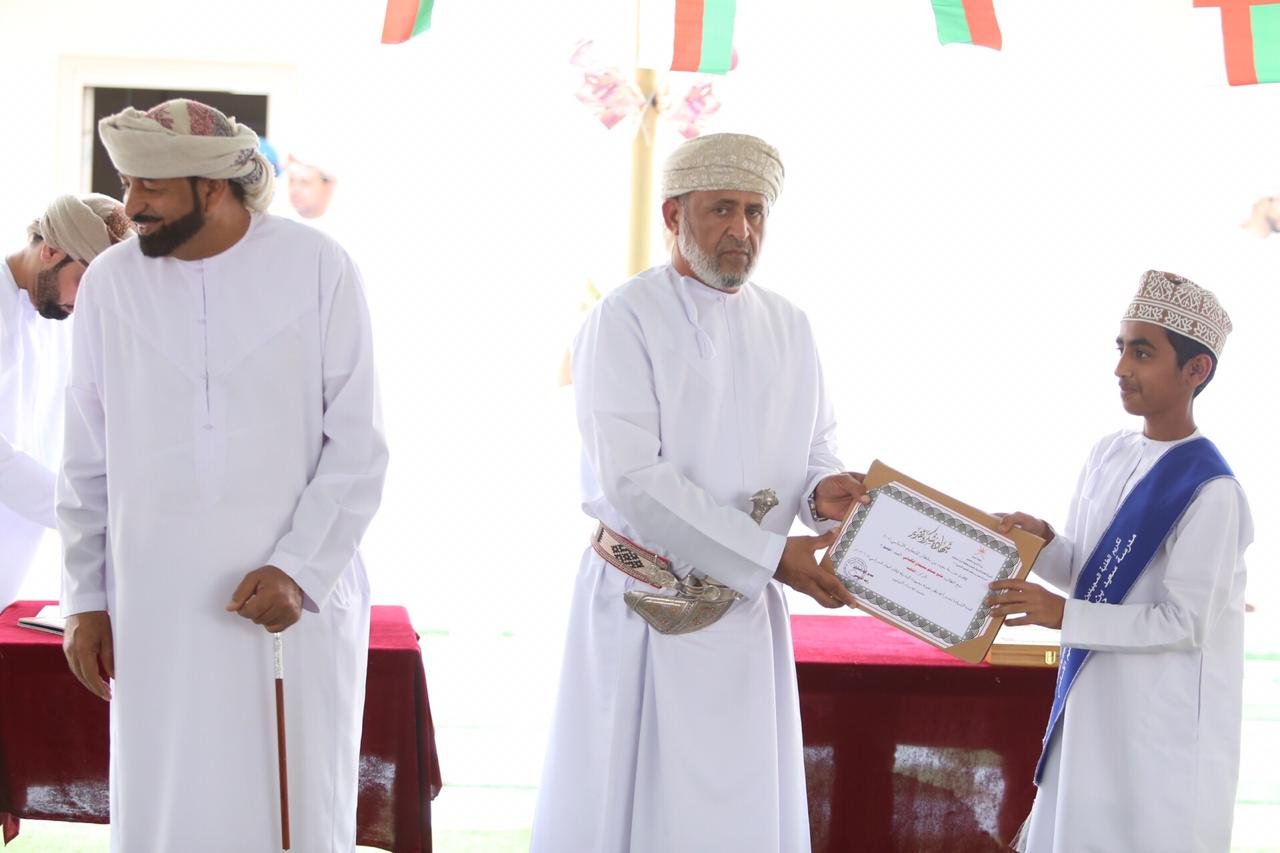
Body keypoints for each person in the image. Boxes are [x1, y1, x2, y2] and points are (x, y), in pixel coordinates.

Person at [58, 98, 387, 853]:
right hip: (155, 604)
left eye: (151, 188)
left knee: (291, 801)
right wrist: (84, 597)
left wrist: (299, 567)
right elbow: (85, 455)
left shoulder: (318, 267)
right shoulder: (110, 282)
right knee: (167, 801)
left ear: (213, 189)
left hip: (288, 599)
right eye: (128, 184)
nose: (131, 206)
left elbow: (358, 441)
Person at [531, 132, 866, 853]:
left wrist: (824, 494)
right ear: (673, 215)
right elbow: (634, 480)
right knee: (636, 811)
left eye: (755, 211)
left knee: (738, 815)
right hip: (643, 603)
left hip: (746, 616)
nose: (742, 229)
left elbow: (815, 447)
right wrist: (773, 556)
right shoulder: (622, 319)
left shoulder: (791, 324)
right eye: (722, 209)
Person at [988, 270, 1252, 852]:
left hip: (1155, 729)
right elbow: (1092, 575)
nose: (1121, 368)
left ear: (1195, 370)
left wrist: (1062, 615)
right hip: (1091, 707)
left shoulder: (1212, 490)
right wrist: (1042, 545)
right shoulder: (1109, 453)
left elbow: (1183, 622)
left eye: (1142, 353)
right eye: (1121, 348)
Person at [1, 193, 130, 609]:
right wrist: (85, 512)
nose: (80, 306)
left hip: (16, 568)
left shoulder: (57, 319)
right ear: (51, 251)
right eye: (81, 284)